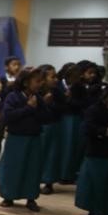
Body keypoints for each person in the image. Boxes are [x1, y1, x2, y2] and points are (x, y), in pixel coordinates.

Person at [0, 67, 48, 212]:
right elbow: (8, 116)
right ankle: (8, 196)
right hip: (16, 139)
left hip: (34, 139)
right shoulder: (13, 97)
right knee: (13, 168)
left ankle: (31, 198)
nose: (40, 84)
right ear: (26, 82)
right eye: (37, 81)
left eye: (41, 81)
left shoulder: (38, 99)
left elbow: (46, 118)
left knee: (32, 169)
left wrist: (41, 107)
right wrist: (28, 108)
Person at [75, 82, 108, 215]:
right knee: (96, 184)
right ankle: (95, 212)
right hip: (98, 154)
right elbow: (87, 129)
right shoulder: (95, 110)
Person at [0, 56, 22, 167]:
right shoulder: (1, 80)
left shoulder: (21, 81)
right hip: (1, 112)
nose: (17, 67)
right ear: (6, 67)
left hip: (15, 113)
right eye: (14, 64)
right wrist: (8, 87)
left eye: (18, 64)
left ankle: (11, 161)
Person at [38, 64, 66, 194]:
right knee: (38, 155)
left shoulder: (57, 92)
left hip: (54, 126)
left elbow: (63, 108)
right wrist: (43, 102)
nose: (56, 79)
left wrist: (52, 104)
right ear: (43, 78)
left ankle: (49, 182)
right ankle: (34, 180)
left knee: (52, 155)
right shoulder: (36, 91)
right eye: (52, 77)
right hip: (39, 127)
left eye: (56, 77)